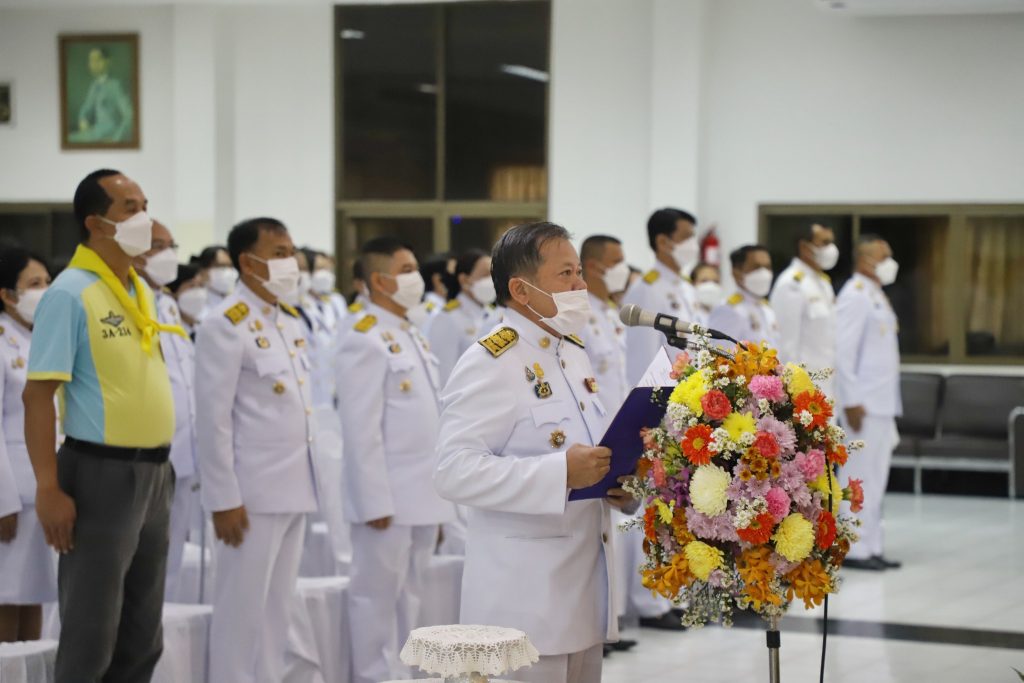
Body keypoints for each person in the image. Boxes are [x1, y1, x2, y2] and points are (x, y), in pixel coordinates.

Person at [435, 222, 629, 683]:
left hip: (582, 589)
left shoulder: (570, 351)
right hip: (522, 599)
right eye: (565, 274)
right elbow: (453, 471)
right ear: (521, 290)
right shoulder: (492, 361)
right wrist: (559, 472)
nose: (580, 285)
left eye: (579, 272)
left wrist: (619, 482)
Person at [24, 169, 181, 682]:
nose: (144, 217)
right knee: (92, 630)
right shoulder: (70, 292)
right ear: (95, 222)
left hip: (155, 472)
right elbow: (37, 396)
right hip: (101, 472)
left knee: (142, 633)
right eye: (129, 208)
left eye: (145, 205)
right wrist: (48, 487)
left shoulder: (138, 287)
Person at [194, 217, 319, 683]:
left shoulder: (286, 320)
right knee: (240, 615)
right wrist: (223, 498)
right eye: (279, 253)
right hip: (249, 495)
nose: (292, 262)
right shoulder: (225, 324)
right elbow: (213, 419)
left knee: (275, 614)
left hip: (294, 485)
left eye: (291, 252)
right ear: (248, 263)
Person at [337, 237, 455, 683]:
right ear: (380, 281)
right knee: (375, 596)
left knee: (412, 594)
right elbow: (360, 430)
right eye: (406, 270)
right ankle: (374, 675)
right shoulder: (364, 338)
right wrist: (373, 500)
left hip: (421, 492)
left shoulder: (409, 332)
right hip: (386, 496)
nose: (416, 278)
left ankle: (407, 673)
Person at [134, 221, 199, 602]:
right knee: (140, 565)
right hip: (146, 454)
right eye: (158, 246)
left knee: (170, 561)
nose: (169, 254)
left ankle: (166, 630)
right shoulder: (128, 299)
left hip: (183, 452)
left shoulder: (170, 304)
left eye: (171, 245)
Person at [836, 235, 902, 571]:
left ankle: (872, 544)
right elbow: (843, 350)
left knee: (876, 479)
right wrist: (850, 400)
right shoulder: (855, 295)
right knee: (857, 477)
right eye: (883, 256)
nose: (891, 262)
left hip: (882, 401)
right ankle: (853, 548)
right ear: (865, 260)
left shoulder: (876, 294)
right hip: (862, 404)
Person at [0, 246, 55, 643]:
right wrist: (2, 503)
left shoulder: (40, 339)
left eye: (48, 282)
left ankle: (32, 670)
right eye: (35, 283)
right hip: (13, 496)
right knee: (6, 597)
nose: (45, 291)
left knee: (34, 593)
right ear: (7, 295)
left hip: (44, 490)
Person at [621, 208, 700, 385]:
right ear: (663, 242)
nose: (693, 245)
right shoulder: (646, 290)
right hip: (665, 395)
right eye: (686, 237)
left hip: (690, 391)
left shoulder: (687, 288)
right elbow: (643, 360)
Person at [769, 223, 839, 398]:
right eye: (825, 242)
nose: (831, 248)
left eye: (831, 242)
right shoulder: (791, 284)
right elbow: (785, 345)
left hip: (827, 386)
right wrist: (789, 394)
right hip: (803, 390)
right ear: (804, 246)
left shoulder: (823, 283)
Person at [428, 249, 495, 387]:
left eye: (493, 275)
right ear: (464, 279)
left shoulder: (490, 314)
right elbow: (443, 376)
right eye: (485, 275)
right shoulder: (448, 318)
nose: (492, 281)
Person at [709, 245, 779, 349]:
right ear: (737, 273)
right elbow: (720, 354)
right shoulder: (728, 310)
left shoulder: (767, 309)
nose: (764, 273)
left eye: (768, 267)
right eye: (756, 267)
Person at [68, 48, 133, 144]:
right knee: (69, 139)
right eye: (91, 60)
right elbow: (86, 107)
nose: (93, 64)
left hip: (109, 135)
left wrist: (116, 139)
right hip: (95, 132)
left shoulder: (116, 85)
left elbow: (130, 116)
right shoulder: (94, 85)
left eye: (98, 60)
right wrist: (83, 119)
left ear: (108, 62)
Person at [197, 245, 236, 320]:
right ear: (203, 270)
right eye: (221, 266)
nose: (228, 271)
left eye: (230, 266)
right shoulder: (195, 301)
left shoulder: (236, 299)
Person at [168, 263, 203, 337]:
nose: (198, 292)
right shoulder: (168, 328)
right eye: (192, 286)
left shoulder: (202, 326)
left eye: (200, 285)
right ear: (173, 292)